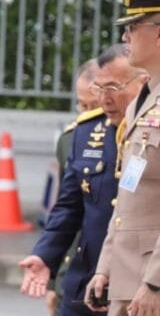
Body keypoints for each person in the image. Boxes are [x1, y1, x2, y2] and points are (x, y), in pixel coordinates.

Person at [19, 44, 146, 315]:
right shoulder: (85, 133)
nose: (105, 99)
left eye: (113, 88)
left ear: (142, 82)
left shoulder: (152, 131)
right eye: (99, 89)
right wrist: (46, 255)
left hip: (140, 283)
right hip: (86, 281)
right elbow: (68, 206)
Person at [85, 0, 160, 315]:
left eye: (132, 27)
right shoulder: (141, 103)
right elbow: (128, 194)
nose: (125, 37)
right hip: (129, 277)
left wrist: (156, 282)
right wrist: (105, 267)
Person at [41, 59, 100, 315]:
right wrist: (53, 279)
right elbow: (67, 211)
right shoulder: (70, 140)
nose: (85, 113)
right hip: (76, 270)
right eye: (81, 105)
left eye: (93, 106)